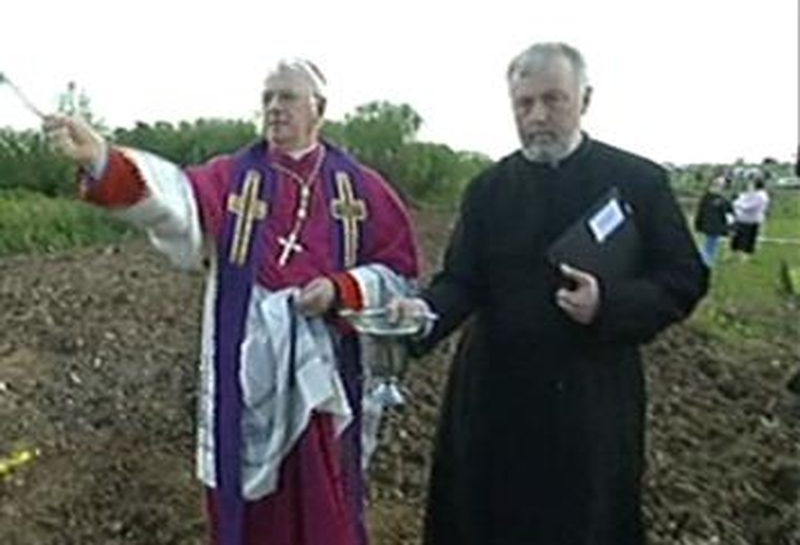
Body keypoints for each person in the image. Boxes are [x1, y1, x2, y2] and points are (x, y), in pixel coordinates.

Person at [44, 59, 420, 545]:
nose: (274, 108)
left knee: (323, 503)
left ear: (318, 108)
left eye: (286, 97)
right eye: (267, 98)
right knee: (251, 509)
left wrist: (342, 289)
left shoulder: (362, 188)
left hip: (327, 381)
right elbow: (174, 200)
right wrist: (100, 157)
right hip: (246, 374)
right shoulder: (234, 177)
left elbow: (400, 274)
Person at [391, 42, 709, 545]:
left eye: (553, 99)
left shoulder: (638, 182)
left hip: (590, 398)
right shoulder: (488, 189)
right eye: (524, 103)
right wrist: (423, 312)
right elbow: (462, 281)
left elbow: (684, 277)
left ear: (585, 99)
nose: (538, 115)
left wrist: (609, 304)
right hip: (494, 395)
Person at [693, 175, 733, 267]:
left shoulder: (723, 200)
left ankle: (704, 263)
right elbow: (700, 211)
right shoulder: (708, 198)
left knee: (709, 246)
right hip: (710, 227)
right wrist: (697, 224)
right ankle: (704, 264)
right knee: (708, 247)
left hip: (713, 227)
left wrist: (730, 228)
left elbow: (729, 215)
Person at [729, 176, 770, 260]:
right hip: (746, 219)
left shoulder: (760, 196)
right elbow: (743, 198)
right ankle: (735, 255)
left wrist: (736, 203)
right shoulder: (754, 193)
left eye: (751, 183)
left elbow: (748, 207)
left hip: (749, 220)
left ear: (756, 185)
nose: (749, 185)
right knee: (738, 238)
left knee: (746, 239)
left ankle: (743, 257)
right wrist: (739, 199)